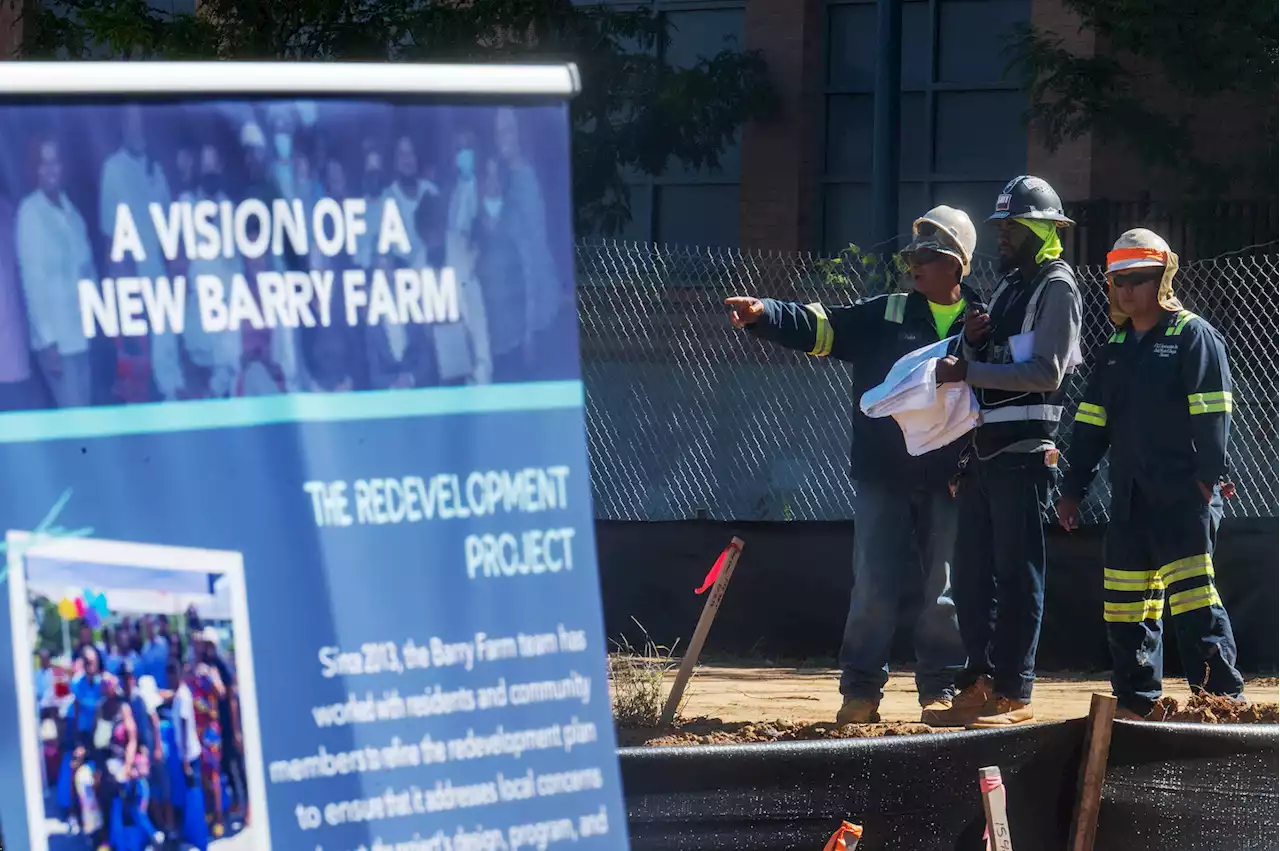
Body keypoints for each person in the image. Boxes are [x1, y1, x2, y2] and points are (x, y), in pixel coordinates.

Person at [725, 206, 980, 726]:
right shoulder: (885, 313)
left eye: (927, 256)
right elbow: (824, 327)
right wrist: (767, 313)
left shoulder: (984, 321)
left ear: (958, 264)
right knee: (874, 586)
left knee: (945, 590)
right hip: (883, 474)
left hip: (953, 479)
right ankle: (860, 693)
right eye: (911, 256)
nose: (914, 265)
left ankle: (941, 691)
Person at [1057, 228, 1246, 720]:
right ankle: (1136, 703)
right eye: (1119, 280)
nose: (1126, 290)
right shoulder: (1117, 347)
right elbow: (1092, 422)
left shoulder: (1193, 336)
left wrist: (1210, 475)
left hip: (1183, 497)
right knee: (1125, 606)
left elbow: (1213, 410)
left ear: (1162, 278)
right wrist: (1072, 489)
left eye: (1138, 279)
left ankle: (1223, 702)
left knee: (1194, 603)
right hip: (1130, 502)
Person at [933, 175, 1083, 728]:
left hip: (1023, 453)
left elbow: (1046, 372)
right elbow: (994, 356)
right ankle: (978, 680)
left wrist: (969, 367)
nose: (1002, 235)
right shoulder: (1009, 287)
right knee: (972, 575)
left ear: (1042, 230)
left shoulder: (1057, 287)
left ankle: (1014, 691)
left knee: (1017, 575)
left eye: (1012, 225)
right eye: (1000, 225)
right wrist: (971, 340)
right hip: (984, 453)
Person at [15, 135, 97, 409]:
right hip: (57, 345)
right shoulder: (30, 213)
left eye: (55, 161)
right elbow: (33, 282)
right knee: (76, 421)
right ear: (34, 168)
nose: (50, 169)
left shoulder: (73, 214)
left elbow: (87, 272)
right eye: (43, 163)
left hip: (82, 338)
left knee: (87, 418)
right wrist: (48, 342)